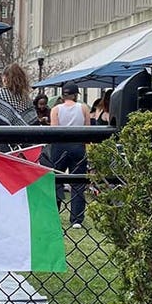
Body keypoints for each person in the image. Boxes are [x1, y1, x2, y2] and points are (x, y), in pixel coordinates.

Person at [50, 84, 90, 229]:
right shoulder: (83, 108)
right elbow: (87, 128)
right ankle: (77, 219)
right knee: (78, 182)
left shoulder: (55, 110)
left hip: (60, 145)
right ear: (75, 95)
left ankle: (54, 214)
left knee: (56, 181)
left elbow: (53, 130)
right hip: (78, 144)